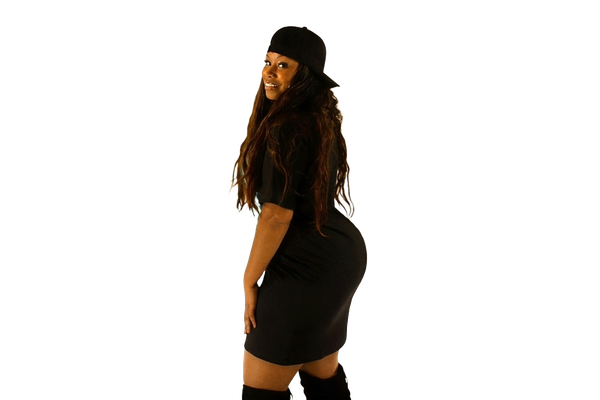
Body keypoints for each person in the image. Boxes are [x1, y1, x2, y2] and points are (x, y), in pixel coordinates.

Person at [228, 25, 368, 399]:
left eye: (283, 65)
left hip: (308, 265)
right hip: (336, 257)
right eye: (268, 62)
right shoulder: (316, 118)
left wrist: (249, 281)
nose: (270, 72)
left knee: (260, 388)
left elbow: (276, 215)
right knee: (317, 366)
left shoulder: (287, 126)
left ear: (303, 74)